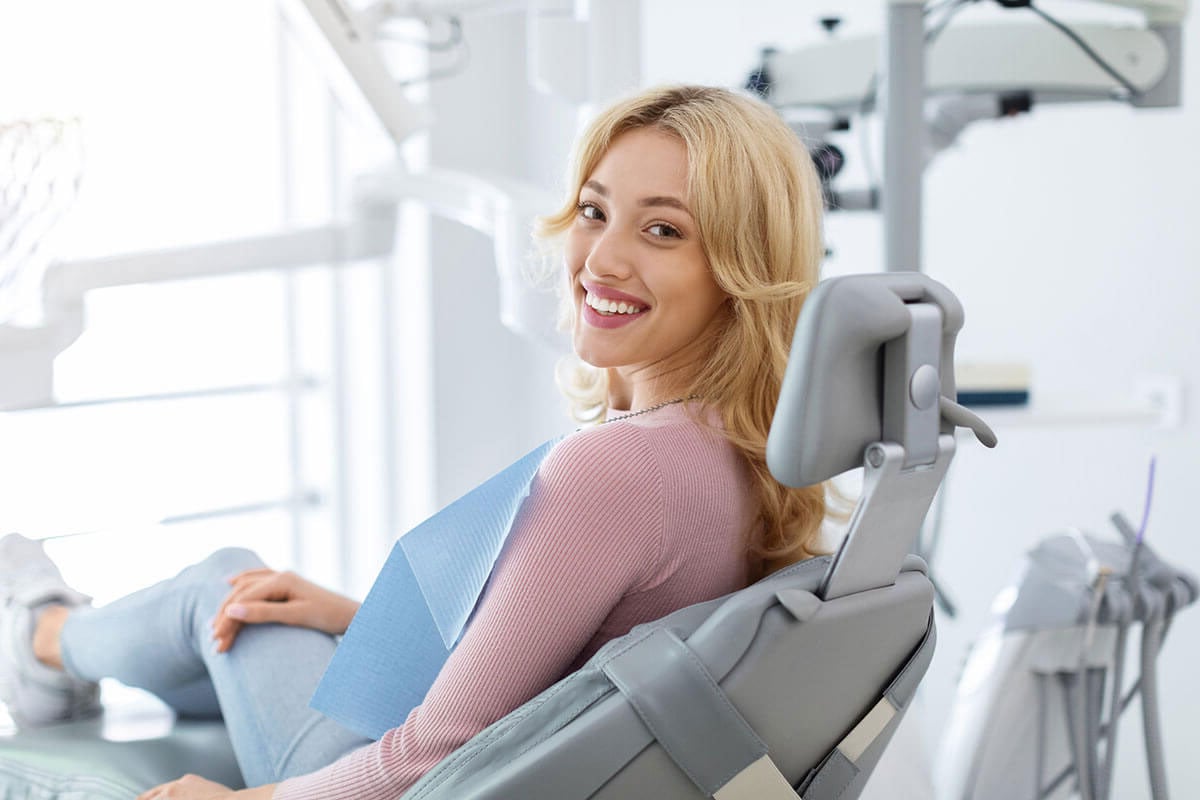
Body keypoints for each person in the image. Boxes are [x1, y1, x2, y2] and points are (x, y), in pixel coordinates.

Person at [0, 84, 829, 800]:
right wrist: (351, 620)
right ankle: (62, 649)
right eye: (593, 210)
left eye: (663, 232)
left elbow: (434, 755)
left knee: (221, 589)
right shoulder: (745, 450)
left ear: (738, 266)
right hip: (532, 761)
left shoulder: (618, 468)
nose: (600, 259)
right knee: (255, 605)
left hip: (400, 777)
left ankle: (41, 640)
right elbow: (569, 665)